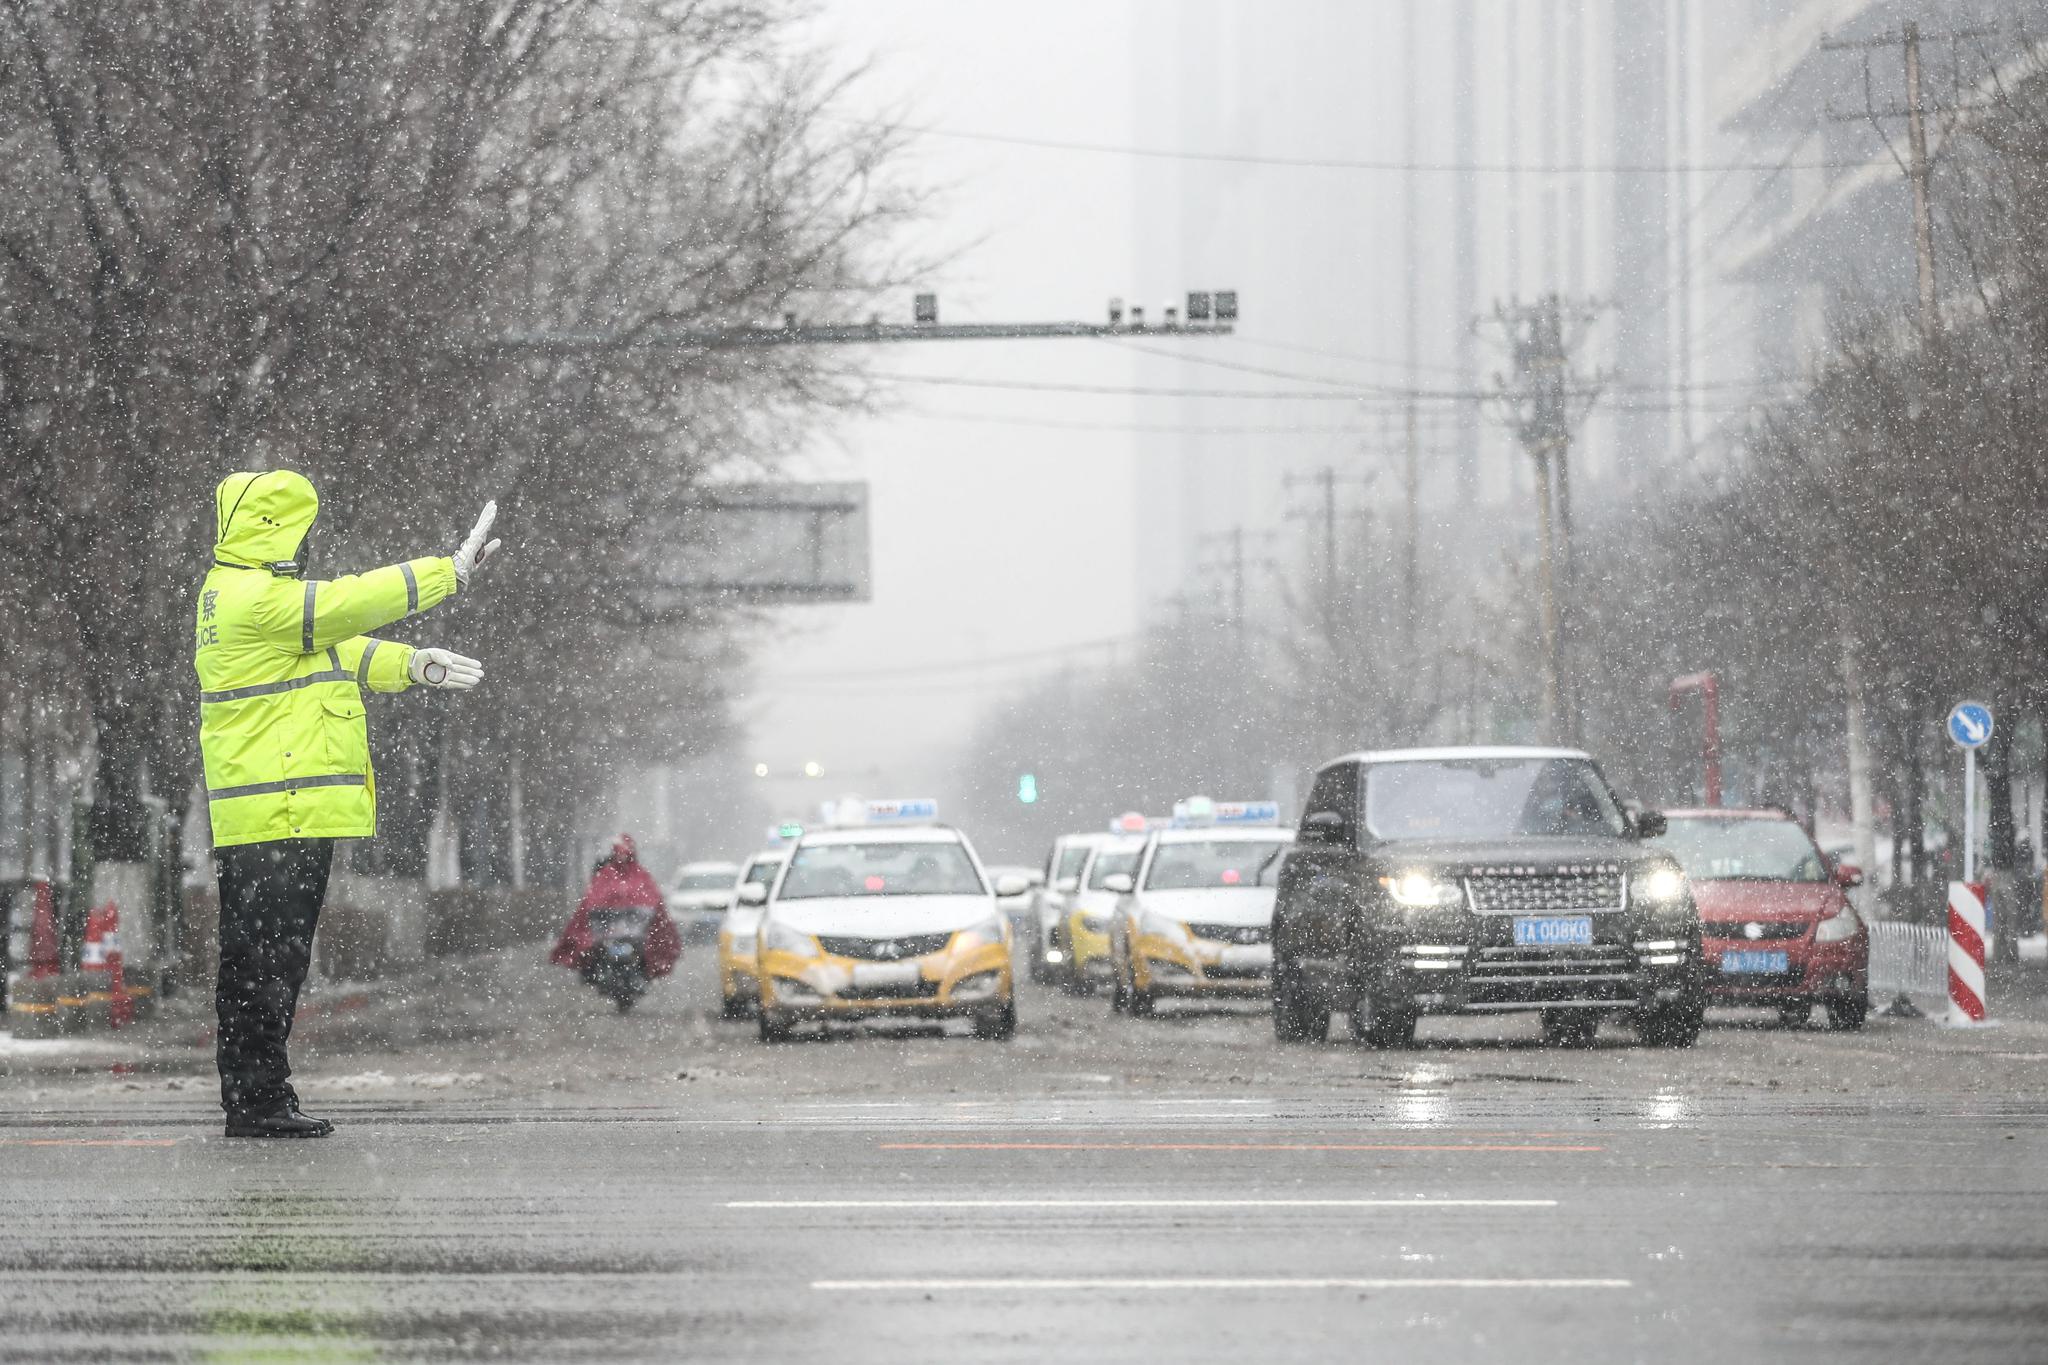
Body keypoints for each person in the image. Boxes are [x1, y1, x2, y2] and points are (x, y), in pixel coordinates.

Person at [195, 470, 502, 1138]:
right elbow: (344, 606)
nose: (304, 544)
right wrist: (446, 573)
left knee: (267, 962)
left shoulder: (242, 594)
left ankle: (258, 1095)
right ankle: (256, 1101)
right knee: (265, 964)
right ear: (274, 530)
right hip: (275, 815)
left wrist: (410, 665)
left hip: (277, 816)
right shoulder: (257, 598)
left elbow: (334, 647)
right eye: (298, 530)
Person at [550, 835, 682, 982]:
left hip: (629, 935)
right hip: (612, 933)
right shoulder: (612, 874)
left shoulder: (628, 875)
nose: (622, 858)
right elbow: (590, 903)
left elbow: (653, 901)